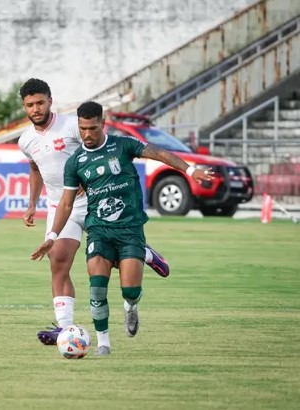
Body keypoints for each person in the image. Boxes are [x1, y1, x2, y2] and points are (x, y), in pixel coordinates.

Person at [31, 101, 214, 355]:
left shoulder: (123, 145)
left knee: (130, 290)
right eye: (82, 129)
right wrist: (52, 235)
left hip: (129, 229)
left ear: (102, 124)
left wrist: (190, 169)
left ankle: (132, 303)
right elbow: (65, 204)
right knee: (97, 288)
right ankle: (103, 344)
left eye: (92, 128)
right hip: (99, 230)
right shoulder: (76, 162)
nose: (87, 135)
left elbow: (159, 154)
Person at [18, 78, 170, 346]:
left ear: (50, 101)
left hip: (94, 200)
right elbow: (34, 168)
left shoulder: (71, 125)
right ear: (24, 106)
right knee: (58, 259)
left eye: (40, 102)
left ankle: (142, 251)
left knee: (109, 254)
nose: (36, 109)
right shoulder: (26, 140)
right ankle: (65, 329)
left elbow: (96, 148)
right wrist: (32, 203)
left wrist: (85, 181)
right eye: (30, 105)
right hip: (60, 206)